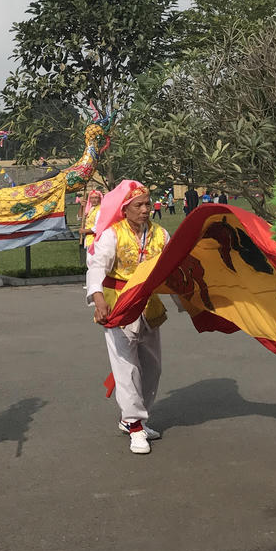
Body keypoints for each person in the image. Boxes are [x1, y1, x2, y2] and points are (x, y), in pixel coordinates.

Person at [86, 179, 169, 454]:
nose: (146, 209)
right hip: (118, 308)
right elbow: (96, 268)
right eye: (139, 205)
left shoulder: (160, 234)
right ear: (125, 209)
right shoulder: (113, 235)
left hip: (149, 306)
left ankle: (131, 416)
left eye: (147, 203)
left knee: (152, 367)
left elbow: (175, 266)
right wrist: (98, 300)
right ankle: (135, 426)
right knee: (126, 368)